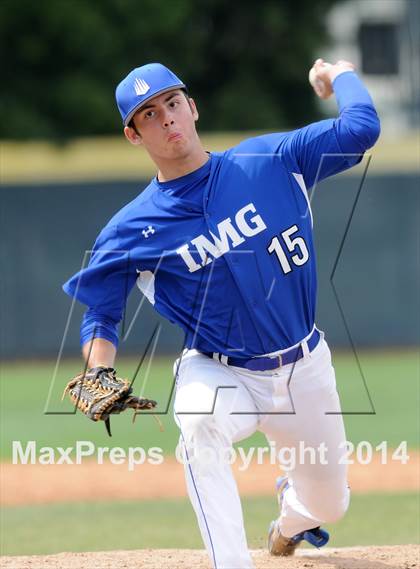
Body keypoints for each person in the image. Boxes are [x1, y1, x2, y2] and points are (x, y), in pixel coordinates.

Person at [63, 59, 380, 569]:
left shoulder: (269, 159)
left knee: (329, 504)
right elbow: (101, 309)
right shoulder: (131, 227)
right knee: (200, 426)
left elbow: (361, 129)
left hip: (305, 368)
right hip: (220, 370)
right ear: (133, 134)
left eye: (171, 103)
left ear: (192, 106)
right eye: (149, 114)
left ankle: (291, 519)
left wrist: (340, 74)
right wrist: (97, 365)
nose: (166, 119)